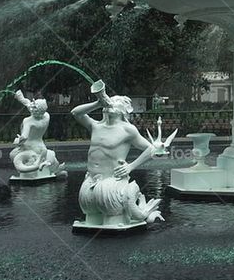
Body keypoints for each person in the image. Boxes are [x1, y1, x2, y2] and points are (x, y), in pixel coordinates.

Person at [71, 81, 165, 227]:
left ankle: (135, 215)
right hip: (90, 180)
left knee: (111, 223)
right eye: (110, 101)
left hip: (112, 183)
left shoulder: (127, 129)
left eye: (116, 102)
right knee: (91, 221)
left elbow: (151, 149)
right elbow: (76, 113)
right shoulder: (96, 126)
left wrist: (131, 167)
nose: (111, 104)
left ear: (123, 110)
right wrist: (98, 103)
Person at [10, 90, 63, 177]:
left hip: (28, 148)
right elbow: (30, 105)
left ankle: (28, 174)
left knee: (12, 155)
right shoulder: (46, 116)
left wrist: (18, 141)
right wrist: (21, 98)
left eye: (33, 105)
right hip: (41, 147)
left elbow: (24, 137)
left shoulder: (28, 121)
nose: (31, 105)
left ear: (35, 110)